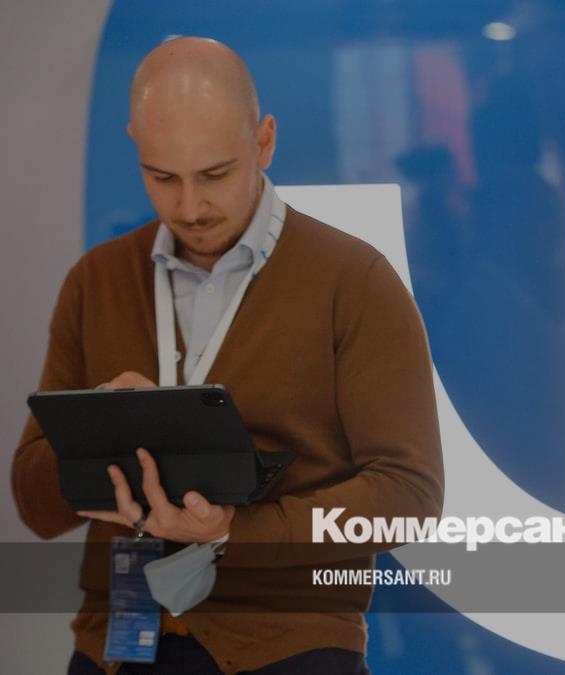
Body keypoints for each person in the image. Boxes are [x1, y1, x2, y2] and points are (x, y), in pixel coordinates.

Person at [11, 37, 444, 674]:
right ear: (135, 145)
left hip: (290, 646)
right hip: (117, 645)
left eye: (214, 174)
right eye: (162, 177)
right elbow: (33, 502)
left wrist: (234, 532)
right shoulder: (96, 281)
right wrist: (96, 434)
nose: (189, 207)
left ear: (264, 141)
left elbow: (409, 497)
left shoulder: (353, 282)